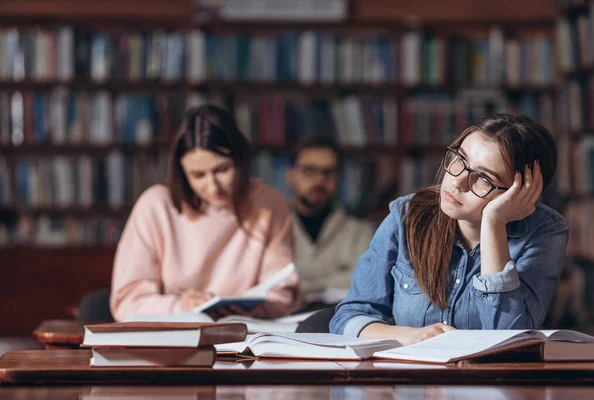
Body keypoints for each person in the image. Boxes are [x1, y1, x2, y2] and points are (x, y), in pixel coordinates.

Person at [330, 113, 569, 345]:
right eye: (460, 159)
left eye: (484, 178)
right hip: (411, 380)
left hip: (491, 383)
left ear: (521, 192)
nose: (457, 181)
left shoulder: (545, 232)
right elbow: (347, 319)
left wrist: (493, 224)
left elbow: (509, 339)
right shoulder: (406, 215)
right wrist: (410, 336)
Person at [110, 105, 299, 322]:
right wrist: (179, 305)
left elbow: (283, 293)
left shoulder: (270, 204)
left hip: (243, 334)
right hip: (173, 335)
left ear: (240, 160)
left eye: (222, 170)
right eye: (198, 175)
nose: (213, 186)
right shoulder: (156, 206)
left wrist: (253, 310)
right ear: (182, 172)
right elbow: (126, 302)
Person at [286, 134, 374, 306]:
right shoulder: (271, 229)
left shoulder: (360, 231)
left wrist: (302, 286)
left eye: (328, 172)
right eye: (309, 171)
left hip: (337, 320)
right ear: (290, 175)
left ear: (339, 177)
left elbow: (367, 280)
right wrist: (335, 278)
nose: (319, 180)